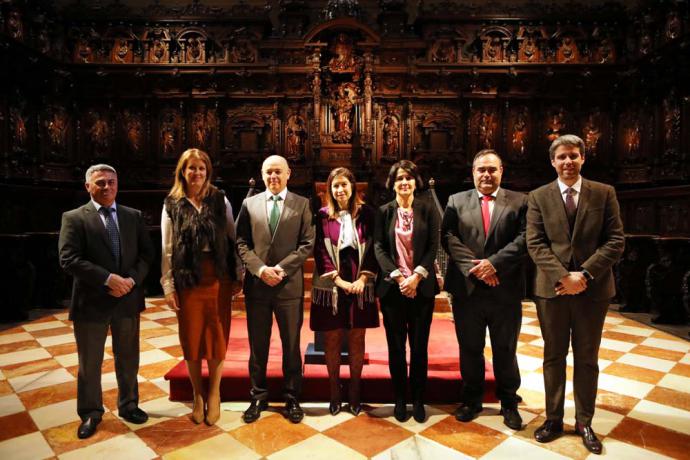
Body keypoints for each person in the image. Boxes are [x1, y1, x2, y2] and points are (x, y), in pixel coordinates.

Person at [527, 135, 624, 454]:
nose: (568, 162)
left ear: (583, 159)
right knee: (553, 356)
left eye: (573, 156)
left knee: (587, 358)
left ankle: (585, 422)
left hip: (592, 290)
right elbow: (535, 242)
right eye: (562, 157)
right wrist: (562, 277)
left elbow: (615, 240)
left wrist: (583, 274)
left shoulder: (604, 192)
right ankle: (553, 419)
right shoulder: (539, 196)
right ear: (552, 162)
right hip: (552, 290)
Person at [58, 164, 154, 439]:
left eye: (111, 182)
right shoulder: (74, 218)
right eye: (100, 183)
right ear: (88, 186)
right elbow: (69, 259)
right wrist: (107, 279)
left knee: (128, 359)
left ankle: (129, 405)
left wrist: (130, 281)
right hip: (92, 302)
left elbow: (147, 255)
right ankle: (90, 413)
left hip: (127, 300)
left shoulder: (132, 216)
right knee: (90, 363)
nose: (107, 187)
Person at [441, 149, 528, 430]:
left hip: (505, 288)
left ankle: (509, 402)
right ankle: (471, 400)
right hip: (468, 288)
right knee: (470, 348)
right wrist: (476, 268)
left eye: (492, 169)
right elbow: (448, 236)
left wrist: (494, 265)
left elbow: (526, 238)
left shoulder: (519, 201)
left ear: (502, 171)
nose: (487, 175)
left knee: (505, 348)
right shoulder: (456, 200)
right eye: (481, 170)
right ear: (473, 173)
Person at [160, 148, 241, 426]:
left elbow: (232, 239)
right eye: (191, 168)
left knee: (217, 334)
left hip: (217, 276)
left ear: (208, 172)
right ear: (182, 171)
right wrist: (169, 286)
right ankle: (197, 395)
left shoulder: (220, 200)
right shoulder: (172, 203)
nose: (196, 173)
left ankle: (214, 393)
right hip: (187, 279)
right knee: (192, 336)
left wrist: (237, 274)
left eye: (201, 168)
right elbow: (167, 248)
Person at [236, 155, 315, 423]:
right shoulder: (249, 204)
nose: (273, 177)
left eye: (278, 172)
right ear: (261, 174)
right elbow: (242, 242)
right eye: (268, 172)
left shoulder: (302, 204)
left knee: (291, 345)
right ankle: (257, 396)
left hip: (288, 286)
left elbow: (306, 244)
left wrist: (280, 269)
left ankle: (292, 397)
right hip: (258, 287)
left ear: (288, 174)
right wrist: (260, 269)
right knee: (258, 346)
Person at [374, 160, 440, 423]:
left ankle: (418, 399)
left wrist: (416, 277)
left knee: (420, 347)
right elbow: (378, 247)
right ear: (392, 183)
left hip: (421, 288)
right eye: (399, 178)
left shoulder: (428, 209)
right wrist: (398, 276)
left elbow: (434, 245)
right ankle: (400, 398)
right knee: (396, 348)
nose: (404, 183)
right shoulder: (383, 212)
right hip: (393, 289)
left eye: (409, 178)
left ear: (416, 182)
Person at [311, 167, 378, 416]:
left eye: (344, 185)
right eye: (335, 186)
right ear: (330, 189)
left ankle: (355, 392)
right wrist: (337, 280)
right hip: (331, 283)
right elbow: (318, 248)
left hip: (360, 278)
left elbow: (374, 246)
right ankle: (334, 392)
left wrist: (363, 278)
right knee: (332, 338)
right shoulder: (321, 215)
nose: (339, 190)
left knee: (357, 338)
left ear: (353, 188)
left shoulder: (367, 214)